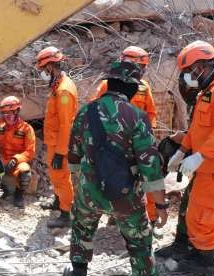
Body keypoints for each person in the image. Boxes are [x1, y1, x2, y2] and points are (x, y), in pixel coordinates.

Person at [65, 60, 167, 276]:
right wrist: (161, 205)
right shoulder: (138, 117)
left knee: (81, 230)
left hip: (88, 191)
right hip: (126, 196)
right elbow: (150, 167)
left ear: (109, 83)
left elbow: (74, 157)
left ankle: (78, 271)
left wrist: (82, 186)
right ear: (131, 87)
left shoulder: (85, 112)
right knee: (139, 241)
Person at [163, 40, 214, 275]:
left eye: (188, 72)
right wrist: (182, 151)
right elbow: (197, 129)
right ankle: (198, 254)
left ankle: (208, 266)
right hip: (207, 167)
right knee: (195, 215)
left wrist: (201, 155)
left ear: (201, 67)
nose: (187, 77)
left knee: (203, 216)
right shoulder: (208, 91)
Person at [94, 46, 159, 232]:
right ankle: (116, 215)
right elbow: (95, 111)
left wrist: (147, 135)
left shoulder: (144, 88)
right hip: (115, 146)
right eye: (141, 66)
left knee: (146, 179)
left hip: (138, 145)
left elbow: (151, 113)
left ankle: (152, 218)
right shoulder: (107, 86)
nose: (144, 70)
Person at [36, 46, 79, 228]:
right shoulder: (57, 86)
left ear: (50, 66)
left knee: (61, 176)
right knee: (55, 175)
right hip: (54, 141)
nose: (42, 73)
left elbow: (65, 124)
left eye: (43, 69)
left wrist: (61, 152)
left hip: (61, 144)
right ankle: (58, 201)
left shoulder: (63, 91)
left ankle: (66, 213)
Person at [0, 96, 36, 208]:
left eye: (11, 112)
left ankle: (19, 194)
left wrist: (16, 159)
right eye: (4, 112)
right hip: (1, 158)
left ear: (17, 111)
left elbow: (30, 151)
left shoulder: (26, 129)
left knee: (24, 172)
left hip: (17, 161)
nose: (8, 115)